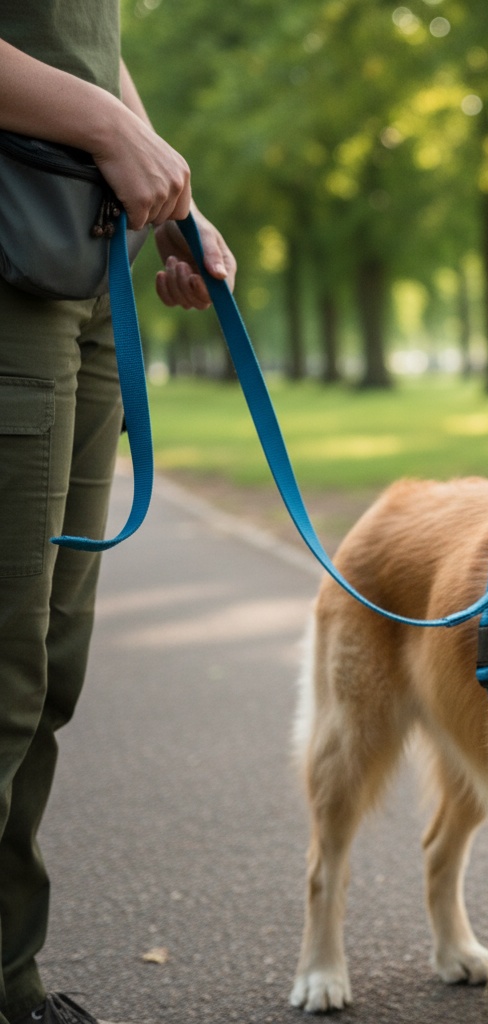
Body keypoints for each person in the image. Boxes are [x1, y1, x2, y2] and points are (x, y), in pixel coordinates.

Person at [0, 5, 237, 1023]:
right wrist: (106, 127)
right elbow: (91, 90)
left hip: (84, 256)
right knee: (2, 666)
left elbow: (86, 41)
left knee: (48, 662)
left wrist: (171, 196)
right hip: (12, 248)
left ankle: (10, 981)